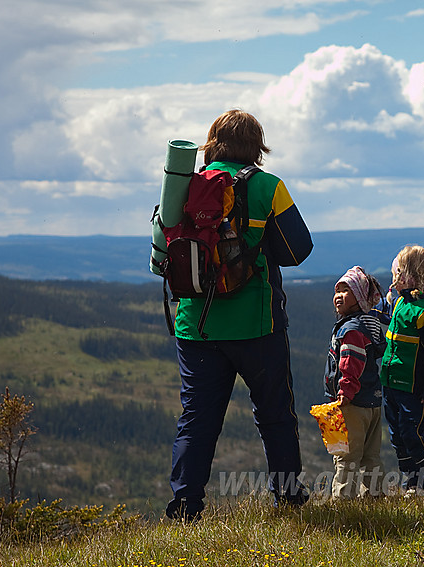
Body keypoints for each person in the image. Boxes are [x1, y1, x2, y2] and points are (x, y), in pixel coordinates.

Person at [166, 109, 313, 521]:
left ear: (212, 142)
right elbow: (298, 250)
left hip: (196, 325)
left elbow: (159, 258)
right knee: (274, 414)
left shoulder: (182, 188)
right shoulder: (268, 185)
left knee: (196, 419)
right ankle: (287, 499)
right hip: (257, 324)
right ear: (256, 147)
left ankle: (185, 506)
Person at [380, 245, 424, 497]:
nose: (393, 279)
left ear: (411, 277)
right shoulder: (399, 303)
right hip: (391, 385)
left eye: (397, 273)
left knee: (414, 436)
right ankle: (414, 484)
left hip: (413, 389)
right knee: (398, 437)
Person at [323, 266, 387, 499]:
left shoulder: (350, 330)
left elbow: (351, 362)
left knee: (346, 455)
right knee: (371, 455)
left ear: (359, 298)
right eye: (337, 290)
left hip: (352, 404)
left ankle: (343, 502)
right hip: (373, 402)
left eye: (346, 290)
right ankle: (373, 496)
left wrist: (345, 391)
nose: (339, 295)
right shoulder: (369, 325)